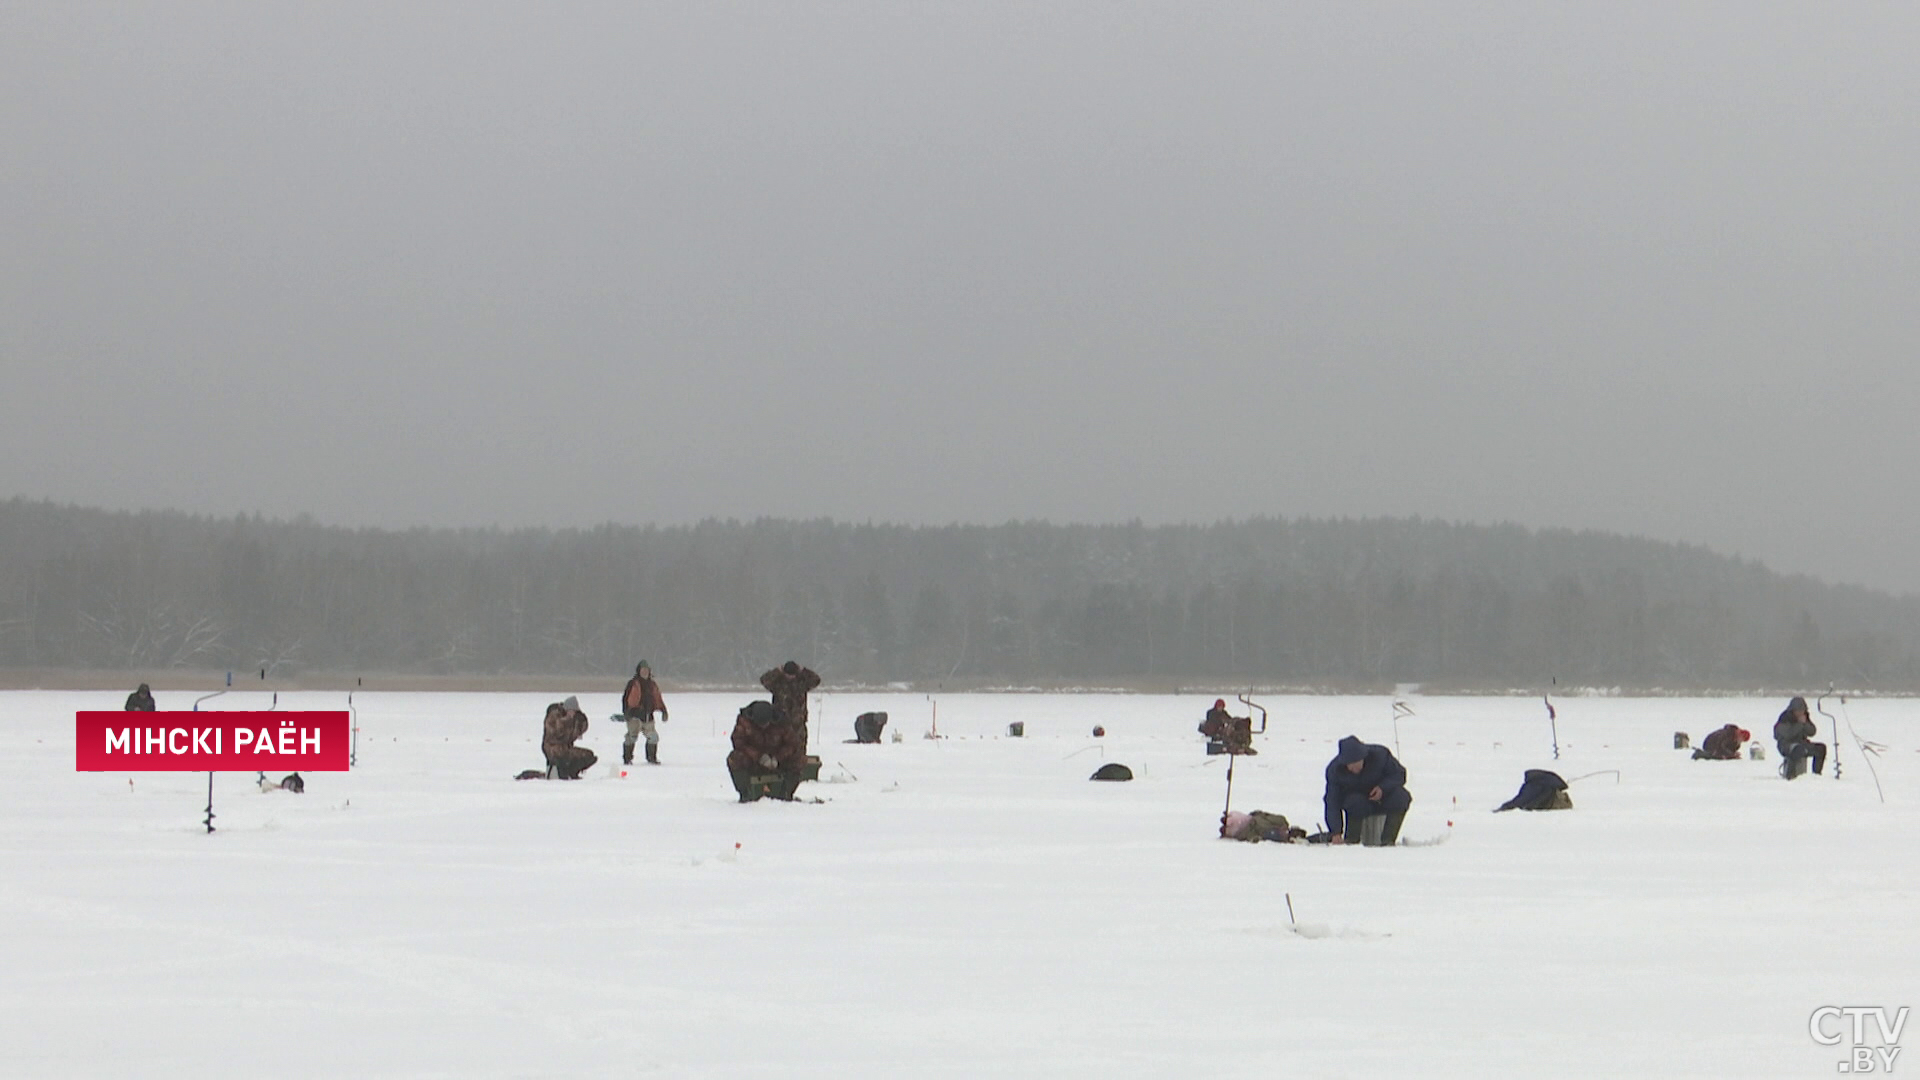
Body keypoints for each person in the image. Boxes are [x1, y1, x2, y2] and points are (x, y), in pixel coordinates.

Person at [1323, 735, 1412, 846]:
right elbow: (1332, 801)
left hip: (1384, 798)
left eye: (1356, 764)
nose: (1352, 768)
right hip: (1356, 805)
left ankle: (1388, 841)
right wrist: (1335, 832)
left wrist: (1382, 788)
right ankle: (1352, 841)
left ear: (1363, 758)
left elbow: (1399, 774)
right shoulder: (1334, 770)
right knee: (1354, 802)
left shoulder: (1381, 755)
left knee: (1401, 797)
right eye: (1349, 765)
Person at [726, 700, 807, 802]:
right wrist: (759, 757)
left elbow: (793, 744)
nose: (763, 727)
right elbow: (738, 742)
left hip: (777, 760)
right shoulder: (744, 721)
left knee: (799, 758)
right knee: (734, 758)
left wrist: (777, 758)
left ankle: (786, 793)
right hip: (754, 761)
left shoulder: (782, 722)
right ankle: (746, 793)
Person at [760, 661, 821, 749]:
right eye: (788, 675)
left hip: (798, 724)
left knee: (799, 750)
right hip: (779, 723)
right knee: (778, 750)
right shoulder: (778, 684)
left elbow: (816, 680)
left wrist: (803, 670)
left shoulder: (801, 683)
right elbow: (764, 680)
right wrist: (777, 671)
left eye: (792, 675)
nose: (790, 678)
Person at [620, 661, 669, 766]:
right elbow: (626, 699)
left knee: (653, 737)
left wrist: (663, 710)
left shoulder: (652, 685)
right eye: (643, 670)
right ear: (639, 671)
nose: (645, 672)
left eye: (647, 670)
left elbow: (657, 698)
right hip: (634, 716)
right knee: (631, 737)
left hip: (648, 716)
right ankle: (627, 758)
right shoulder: (633, 683)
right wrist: (627, 712)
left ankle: (651, 758)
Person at [541, 696, 596, 779]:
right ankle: (561, 773)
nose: (572, 714)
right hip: (552, 748)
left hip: (566, 748)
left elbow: (583, 728)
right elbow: (556, 733)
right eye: (571, 711)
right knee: (562, 757)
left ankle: (572, 772)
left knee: (589, 756)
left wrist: (580, 719)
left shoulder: (573, 719)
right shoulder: (554, 716)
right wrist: (567, 719)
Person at [1774, 696, 1827, 778]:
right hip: (1786, 745)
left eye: (1802, 710)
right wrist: (1799, 725)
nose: (1800, 713)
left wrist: (1805, 724)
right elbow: (1786, 735)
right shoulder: (1785, 718)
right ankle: (1790, 775)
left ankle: (1816, 774)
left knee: (1820, 748)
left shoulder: (1804, 718)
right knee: (1798, 750)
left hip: (1802, 743)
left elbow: (1812, 732)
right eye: (1798, 711)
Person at [1220, 810, 1305, 843]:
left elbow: (1255, 837)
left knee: (1230, 821)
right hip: (1247, 822)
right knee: (1231, 820)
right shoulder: (1281, 822)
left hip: (1244, 827)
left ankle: (1229, 822)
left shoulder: (1277, 834)